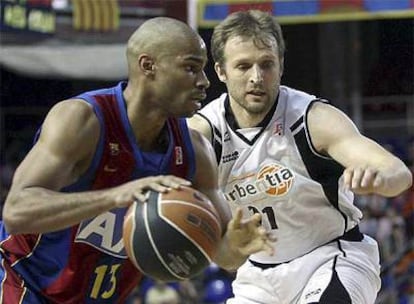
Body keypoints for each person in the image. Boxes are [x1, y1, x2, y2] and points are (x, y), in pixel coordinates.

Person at [0, 17, 274, 303]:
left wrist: (236, 247)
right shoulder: (82, 120)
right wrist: (115, 196)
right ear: (148, 66)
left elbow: (221, 254)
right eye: (191, 67)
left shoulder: (194, 149)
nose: (204, 81)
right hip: (23, 283)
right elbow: (17, 212)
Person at [188, 9, 413, 304]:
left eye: (266, 64)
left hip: (332, 258)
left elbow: (399, 173)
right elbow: (228, 260)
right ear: (220, 71)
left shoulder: (311, 119)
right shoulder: (202, 134)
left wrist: (380, 178)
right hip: (257, 278)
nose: (256, 77)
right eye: (243, 66)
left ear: (280, 66)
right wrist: (231, 246)